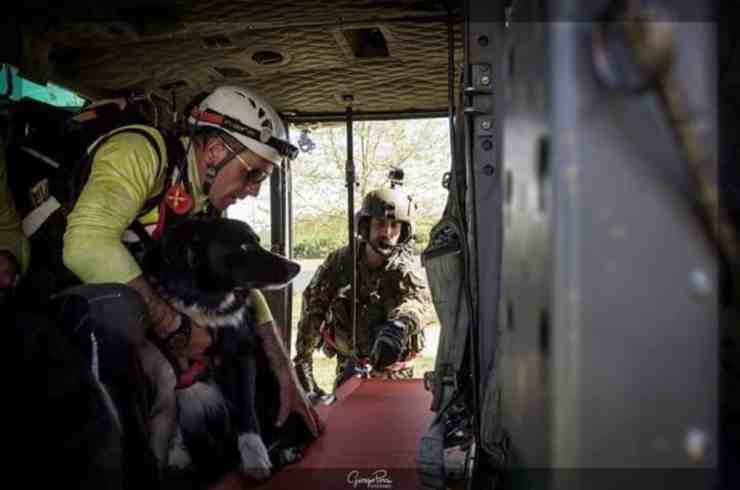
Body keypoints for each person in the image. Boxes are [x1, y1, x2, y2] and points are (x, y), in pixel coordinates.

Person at [2, 86, 322, 479]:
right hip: (44, 293)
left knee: (227, 323)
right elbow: (85, 245)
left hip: (88, 297)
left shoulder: (197, 196)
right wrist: (175, 328)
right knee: (124, 308)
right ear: (216, 152)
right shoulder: (140, 152)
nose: (254, 188)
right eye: (252, 172)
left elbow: (235, 279)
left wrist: (283, 369)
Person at [293, 187, 432, 396]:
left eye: (394, 225)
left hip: (395, 377)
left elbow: (419, 304)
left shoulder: (405, 269)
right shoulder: (340, 262)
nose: (387, 233)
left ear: (404, 231)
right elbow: (313, 308)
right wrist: (303, 362)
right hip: (350, 370)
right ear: (366, 226)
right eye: (380, 224)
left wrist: (398, 327)